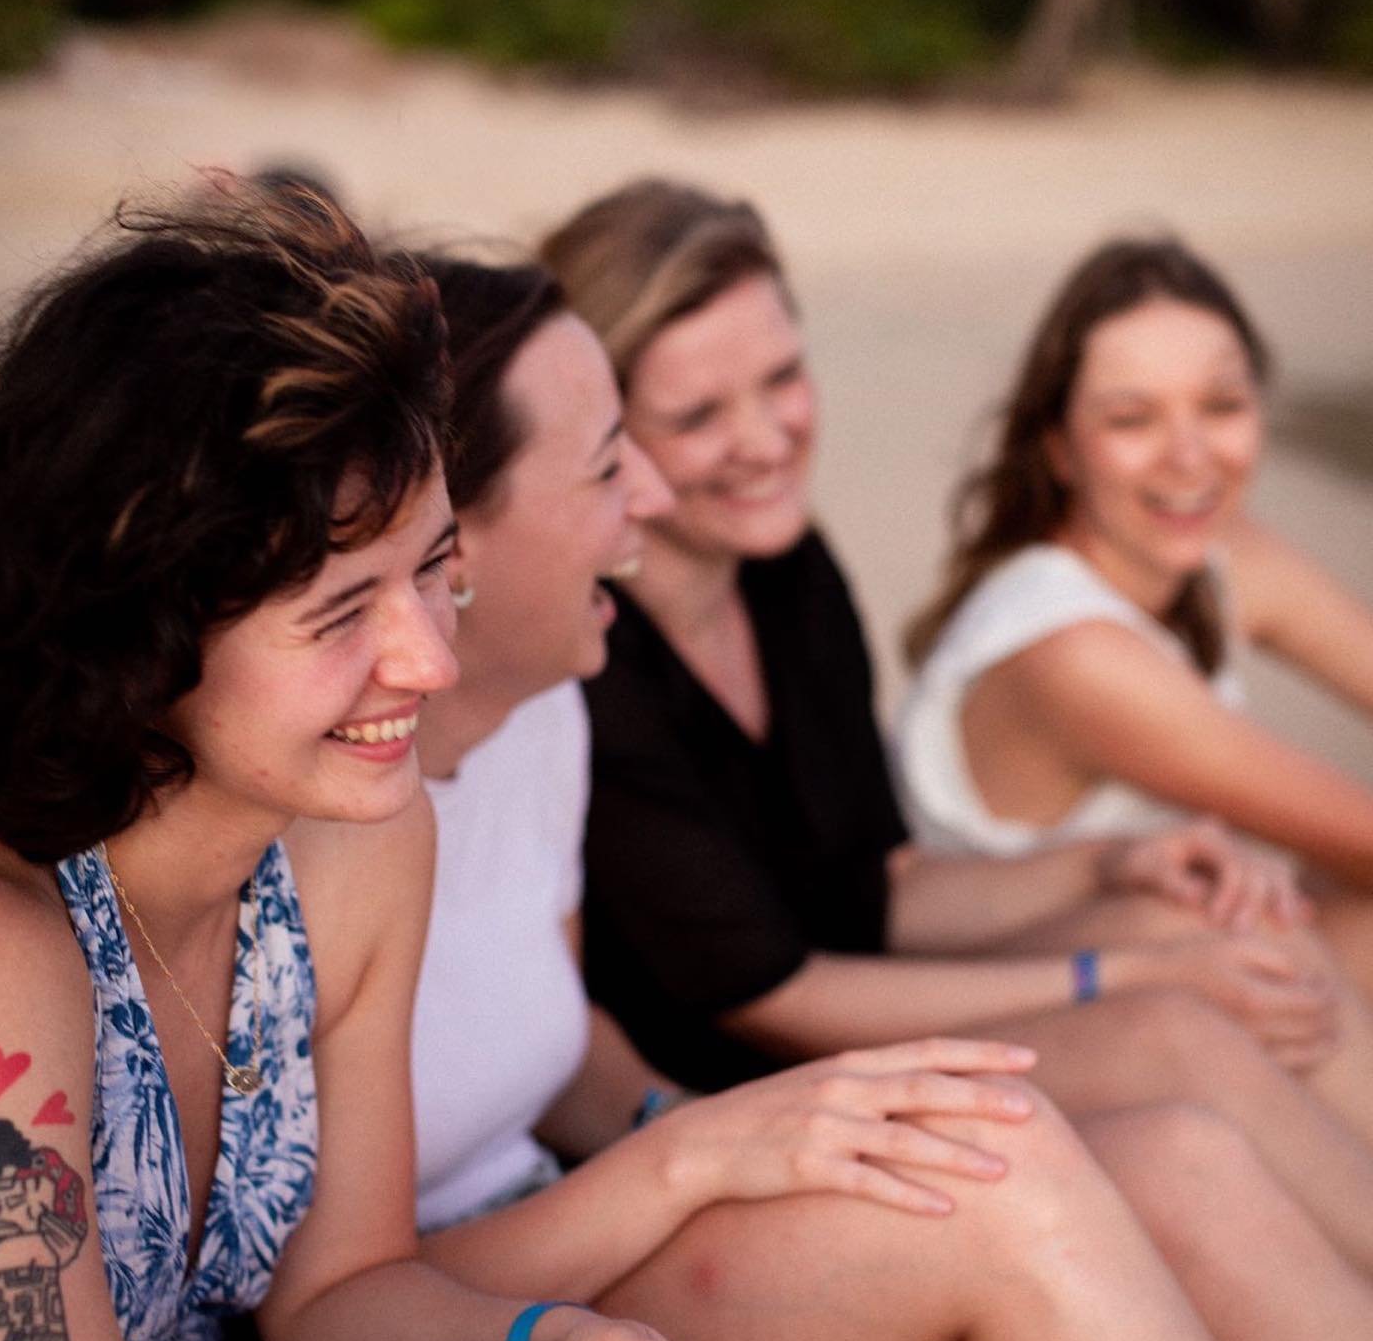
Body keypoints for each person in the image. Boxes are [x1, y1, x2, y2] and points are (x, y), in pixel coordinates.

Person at [402, 245, 1373, 1341]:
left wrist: (684, 1124)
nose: (655, 498)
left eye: (782, 379)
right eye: (623, 458)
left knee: (1154, 1149)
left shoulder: (541, 712)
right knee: (1026, 1151)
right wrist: (705, 1146)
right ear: (450, 528)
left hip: (608, 1224)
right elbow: (320, 1300)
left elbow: (585, 1038)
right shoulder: (360, 797)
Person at [0, 182, 822, 1341]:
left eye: (432, 570)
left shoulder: (352, 845)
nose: (426, 655)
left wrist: (551, 1334)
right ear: (142, 630)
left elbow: (338, 1297)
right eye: (343, 611)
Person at [540, 177, 1373, 1263]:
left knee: (1228, 935)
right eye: (698, 415)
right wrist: (1112, 979)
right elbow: (771, 997)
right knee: (1176, 1020)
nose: (764, 439)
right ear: (607, 437)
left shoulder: (787, 571)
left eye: (783, 379)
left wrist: (1115, 865)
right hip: (740, 1101)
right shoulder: (590, 662)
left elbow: (885, 886)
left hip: (865, 1003)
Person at [899, 235, 1373, 987]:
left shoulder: (1221, 554)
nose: (1190, 455)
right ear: (1059, 450)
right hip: (1045, 1031)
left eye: (1221, 405)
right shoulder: (1073, 651)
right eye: (1132, 419)